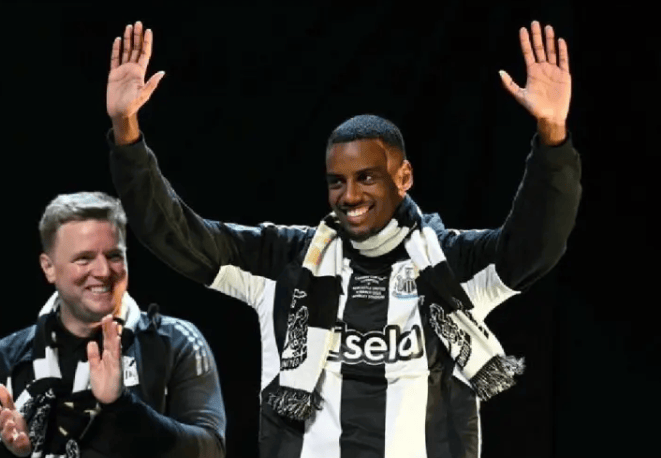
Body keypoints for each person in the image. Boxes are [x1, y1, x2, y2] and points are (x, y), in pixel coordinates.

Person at [106, 20, 580, 458]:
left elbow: (535, 246)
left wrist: (552, 136)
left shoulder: (451, 262)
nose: (349, 196)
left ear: (404, 177)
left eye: (367, 177)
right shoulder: (285, 260)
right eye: (337, 181)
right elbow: (177, 236)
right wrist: (127, 133)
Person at [0, 192, 226, 458]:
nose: (104, 271)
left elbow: (211, 450)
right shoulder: (7, 357)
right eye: (84, 258)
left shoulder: (175, 341)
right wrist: (13, 453)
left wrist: (121, 405)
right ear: (49, 267)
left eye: (114, 256)